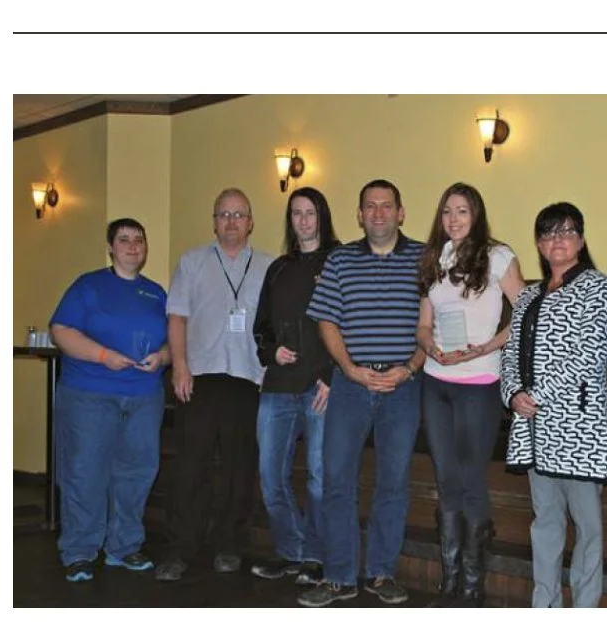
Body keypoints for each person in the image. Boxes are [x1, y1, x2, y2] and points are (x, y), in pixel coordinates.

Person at [297, 179, 425, 608]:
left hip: (402, 387)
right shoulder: (340, 260)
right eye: (369, 206)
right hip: (350, 387)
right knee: (336, 481)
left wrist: (407, 369)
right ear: (359, 214)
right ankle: (338, 577)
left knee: (393, 483)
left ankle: (382, 573)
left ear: (401, 212)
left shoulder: (425, 258)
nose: (378, 213)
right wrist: (348, 369)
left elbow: (433, 324)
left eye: (386, 206)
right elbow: (327, 321)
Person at [501, 202, 607, 609]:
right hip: (534, 427)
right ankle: (544, 605)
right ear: (538, 242)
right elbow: (511, 353)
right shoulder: (530, 294)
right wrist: (513, 393)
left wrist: (539, 394)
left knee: (588, 528)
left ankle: (584, 608)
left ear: (582, 240)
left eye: (567, 232)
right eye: (549, 233)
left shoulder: (597, 287)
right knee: (545, 524)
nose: (558, 240)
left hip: (578, 429)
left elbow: (590, 354)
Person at [154, 187, 272, 581]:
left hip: (247, 379)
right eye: (224, 214)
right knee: (191, 467)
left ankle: (229, 545)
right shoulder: (192, 262)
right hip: (199, 377)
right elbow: (177, 318)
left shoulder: (269, 267)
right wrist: (180, 366)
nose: (231, 222)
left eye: (239, 214)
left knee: (240, 469)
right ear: (214, 220)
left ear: (251, 221)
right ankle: (180, 548)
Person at [416, 182, 525, 606]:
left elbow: (527, 313)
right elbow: (423, 324)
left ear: (476, 215)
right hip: (436, 381)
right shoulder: (434, 258)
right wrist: (431, 347)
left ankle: (473, 583)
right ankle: (450, 577)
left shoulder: (498, 255)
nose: (454, 219)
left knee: (471, 479)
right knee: (446, 479)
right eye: (447, 212)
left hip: (479, 383)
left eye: (462, 211)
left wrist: (485, 347)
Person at [49, 217, 169, 583]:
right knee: (85, 473)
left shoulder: (156, 293)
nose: (133, 246)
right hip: (90, 394)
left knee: (136, 473)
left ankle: (124, 546)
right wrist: (104, 356)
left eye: (139, 240)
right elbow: (61, 331)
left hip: (143, 397)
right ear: (111, 247)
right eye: (124, 239)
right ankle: (80, 552)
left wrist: (162, 358)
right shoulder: (88, 286)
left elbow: (174, 341)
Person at [251, 187, 339, 587]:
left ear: (322, 216)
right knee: (271, 478)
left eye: (310, 213)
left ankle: (317, 557)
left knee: (320, 479)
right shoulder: (279, 268)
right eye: (296, 213)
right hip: (278, 386)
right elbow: (261, 328)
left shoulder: (340, 261)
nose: (303, 221)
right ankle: (292, 551)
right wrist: (271, 352)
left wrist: (334, 376)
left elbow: (352, 326)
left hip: (322, 387)